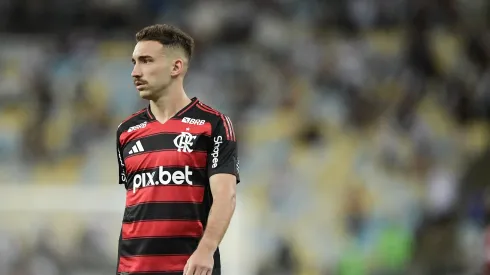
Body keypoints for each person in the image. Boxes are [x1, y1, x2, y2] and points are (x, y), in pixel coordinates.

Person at [115, 24, 240, 275]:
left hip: (190, 268)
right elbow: (138, 205)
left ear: (176, 67)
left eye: (146, 61)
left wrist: (206, 250)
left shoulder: (212, 124)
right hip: (132, 268)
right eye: (134, 62)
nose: (135, 72)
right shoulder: (126, 131)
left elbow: (226, 196)